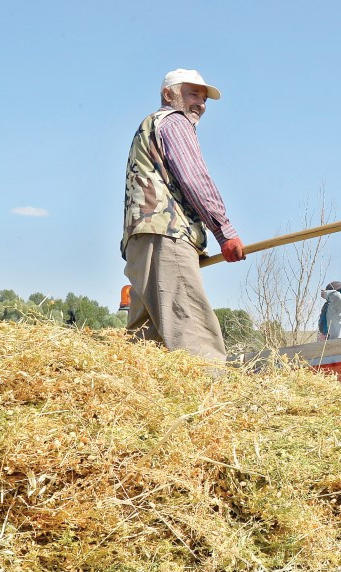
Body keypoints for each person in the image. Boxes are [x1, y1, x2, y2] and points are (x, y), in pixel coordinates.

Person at [120, 68, 245, 362]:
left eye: (204, 99)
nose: (200, 103)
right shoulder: (175, 122)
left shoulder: (150, 126)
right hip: (168, 234)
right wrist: (223, 230)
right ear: (169, 95)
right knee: (192, 331)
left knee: (147, 341)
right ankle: (214, 398)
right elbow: (194, 178)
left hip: (141, 239)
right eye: (193, 94)